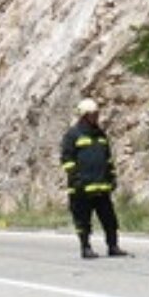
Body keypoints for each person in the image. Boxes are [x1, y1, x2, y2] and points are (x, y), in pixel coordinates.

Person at [60, 98, 128, 259]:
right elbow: (66, 159)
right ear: (84, 116)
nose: (96, 117)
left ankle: (113, 246)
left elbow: (108, 158)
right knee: (83, 221)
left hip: (102, 188)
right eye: (93, 114)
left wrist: (111, 177)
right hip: (81, 189)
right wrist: (76, 179)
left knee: (110, 220)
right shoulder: (72, 135)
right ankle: (85, 248)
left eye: (97, 114)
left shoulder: (100, 135)